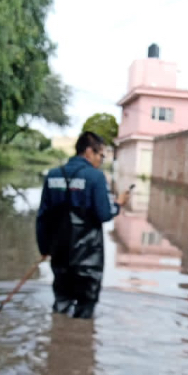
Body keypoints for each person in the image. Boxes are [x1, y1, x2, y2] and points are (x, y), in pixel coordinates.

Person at [36, 132, 129, 319]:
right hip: (88, 256)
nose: (101, 160)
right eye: (100, 155)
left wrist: (44, 248)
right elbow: (103, 214)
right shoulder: (95, 177)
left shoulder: (53, 175)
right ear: (88, 152)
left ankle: (58, 338)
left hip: (60, 252)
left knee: (61, 301)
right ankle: (81, 342)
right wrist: (118, 204)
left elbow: (42, 218)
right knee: (86, 306)